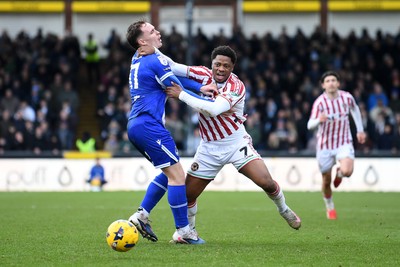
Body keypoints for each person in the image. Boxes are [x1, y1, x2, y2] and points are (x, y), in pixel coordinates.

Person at [135, 45, 301, 243]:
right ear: (211, 64)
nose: (221, 69)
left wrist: (181, 94)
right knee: (187, 196)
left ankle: (283, 209)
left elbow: (214, 109)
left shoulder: (236, 86)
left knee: (266, 182)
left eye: (226, 66)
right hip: (208, 148)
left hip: (235, 143)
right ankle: (187, 234)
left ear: (232, 68)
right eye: (217, 64)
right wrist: (153, 49)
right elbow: (172, 65)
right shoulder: (202, 74)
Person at [124, 20, 216, 245]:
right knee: (177, 176)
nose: (158, 32)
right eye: (152, 31)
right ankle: (184, 231)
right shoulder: (153, 59)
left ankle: (141, 215)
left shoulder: (138, 58)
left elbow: (169, 67)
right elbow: (174, 86)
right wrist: (201, 91)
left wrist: (200, 87)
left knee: (168, 174)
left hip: (137, 125)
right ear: (142, 41)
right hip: (148, 125)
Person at [307, 71, 366, 220]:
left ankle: (339, 173)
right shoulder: (320, 102)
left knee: (347, 171)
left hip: (343, 141)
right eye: (328, 81)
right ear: (323, 85)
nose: (331, 83)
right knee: (326, 181)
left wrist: (360, 130)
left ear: (338, 83)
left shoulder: (347, 97)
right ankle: (330, 207)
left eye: (334, 80)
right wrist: (319, 120)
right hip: (325, 145)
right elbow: (309, 125)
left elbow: (355, 109)